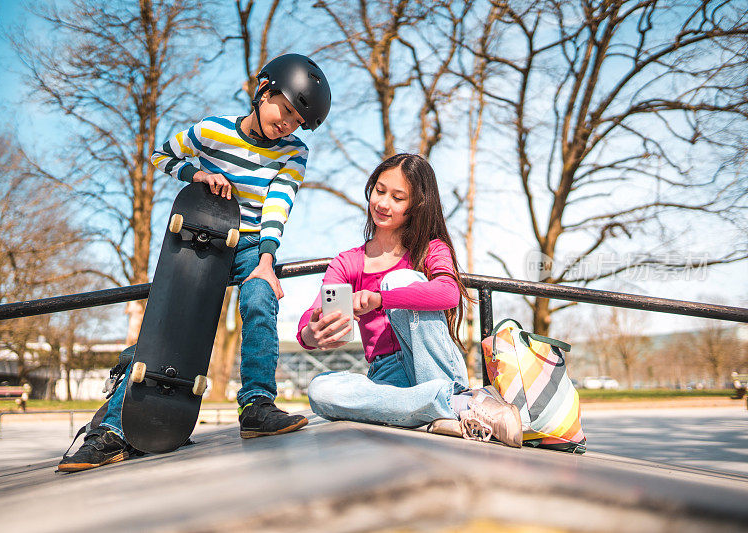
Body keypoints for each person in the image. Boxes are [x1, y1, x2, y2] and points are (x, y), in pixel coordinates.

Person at [58, 53, 331, 472]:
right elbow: (160, 156)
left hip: (251, 244)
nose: (289, 125)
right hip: (199, 240)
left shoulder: (294, 152)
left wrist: (266, 260)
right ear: (263, 90)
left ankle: (257, 405)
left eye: (298, 121)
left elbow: (280, 202)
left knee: (260, 297)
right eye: (287, 111)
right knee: (167, 327)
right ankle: (111, 430)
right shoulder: (211, 130)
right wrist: (196, 175)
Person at [297, 153, 522, 447]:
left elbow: (448, 292)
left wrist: (381, 298)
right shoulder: (348, 262)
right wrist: (312, 333)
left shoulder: (431, 250)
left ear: (415, 207)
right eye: (379, 190)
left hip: (433, 365)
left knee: (401, 280)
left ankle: (436, 408)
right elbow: (312, 315)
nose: (382, 203)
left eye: (397, 197)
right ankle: (457, 407)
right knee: (320, 390)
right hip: (386, 376)